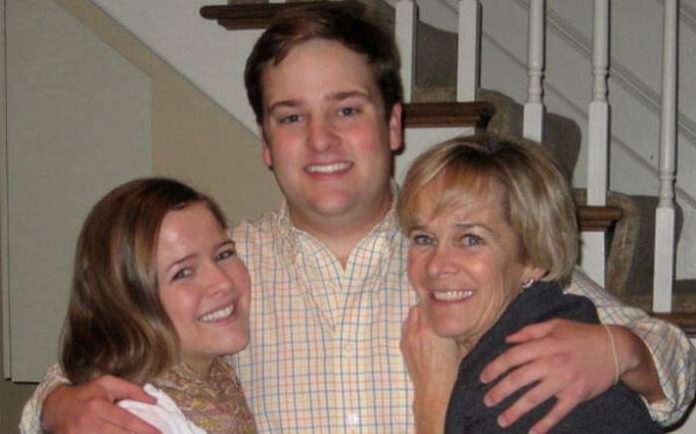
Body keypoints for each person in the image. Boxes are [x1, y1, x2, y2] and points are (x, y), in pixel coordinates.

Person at [20, 3, 696, 433]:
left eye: (347, 109)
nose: (321, 141)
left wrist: (619, 351)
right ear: (266, 142)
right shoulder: (228, 274)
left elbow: (673, 354)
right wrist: (54, 407)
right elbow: (103, 354)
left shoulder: (461, 258)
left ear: (393, 124)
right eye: (292, 118)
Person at [398, 134, 662, 433]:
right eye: (424, 238)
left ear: (535, 257)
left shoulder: (535, 392)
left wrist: (432, 405)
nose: (436, 265)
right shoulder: (504, 350)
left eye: (471, 239)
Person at [22, 178, 256, 434]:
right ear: (126, 301)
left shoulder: (218, 381)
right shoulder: (133, 418)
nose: (222, 282)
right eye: (183, 273)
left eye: (223, 254)